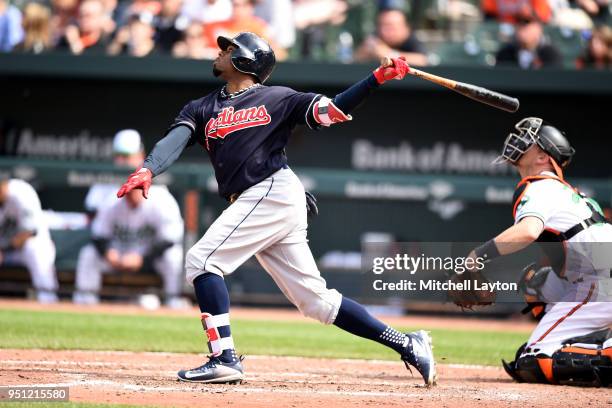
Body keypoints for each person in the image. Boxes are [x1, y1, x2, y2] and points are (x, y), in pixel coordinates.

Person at [116, 31, 436, 385]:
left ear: (247, 59)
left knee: (203, 261)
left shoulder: (279, 98)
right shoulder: (201, 107)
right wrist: (148, 169)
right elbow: (173, 140)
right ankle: (409, 344)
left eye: (229, 48)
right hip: (262, 198)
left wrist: (376, 78)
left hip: (271, 191)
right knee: (316, 302)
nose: (221, 51)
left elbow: (333, 110)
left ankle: (224, 358)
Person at [464, 117, 612, 386]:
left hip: (601, 282)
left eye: (529, 141)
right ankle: (570, 337)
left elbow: (528, 231)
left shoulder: (541, 186)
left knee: (533, 360)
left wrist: (475, 258)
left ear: (543, 156)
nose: (520, 142)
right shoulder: (563, 191)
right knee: (536, 282)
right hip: (597, 276)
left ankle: (582, 346)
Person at [73, 187, 185, 308]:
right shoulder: (112, 200)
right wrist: (107, 252)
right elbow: (98, 234)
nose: (131, 193)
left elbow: (170, 239)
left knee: (173, 256)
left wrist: (143, 259)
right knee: (89, 254)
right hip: (118, 255)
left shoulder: (161, 199)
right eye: (129, 188)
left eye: (136, 188)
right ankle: (85, 303)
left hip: (150, 256)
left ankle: (173, 301)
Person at [0, 176, 58, 303]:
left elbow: (28, 233)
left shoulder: (20, 192)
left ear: (4, 185)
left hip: (32, 244)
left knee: (34, 248)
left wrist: (2, 250)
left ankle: (48, 301)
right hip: (6, 250)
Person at [84, 129, 146, 220]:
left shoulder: (154, 180)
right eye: (117, 156)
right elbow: (91, 216)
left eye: (126, 156)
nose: (120, 162)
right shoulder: (105, 179)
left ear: (140, 156)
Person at [354, 8, 428, 67]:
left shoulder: (411, 40)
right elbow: (353, 59)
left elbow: (422, 61)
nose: (383, 31)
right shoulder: (375, 37)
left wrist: (389, 55)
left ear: (405, 28)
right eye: (381, 25)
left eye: (390, 27)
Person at [495, 16, 562, 69]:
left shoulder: (550, 54)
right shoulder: (505, 53)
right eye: (519, 23)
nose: (522, 28)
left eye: (527, 23)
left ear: (538, 28)